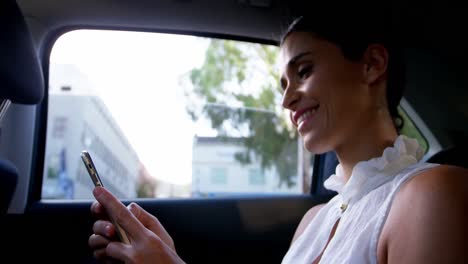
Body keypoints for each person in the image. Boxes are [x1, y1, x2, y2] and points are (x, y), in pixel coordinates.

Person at [88, 6, 468, 264]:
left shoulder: (432, 193)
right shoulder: (313, 220)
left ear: (372, 64)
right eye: (283, 83)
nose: (286, 99)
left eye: (303, 71)